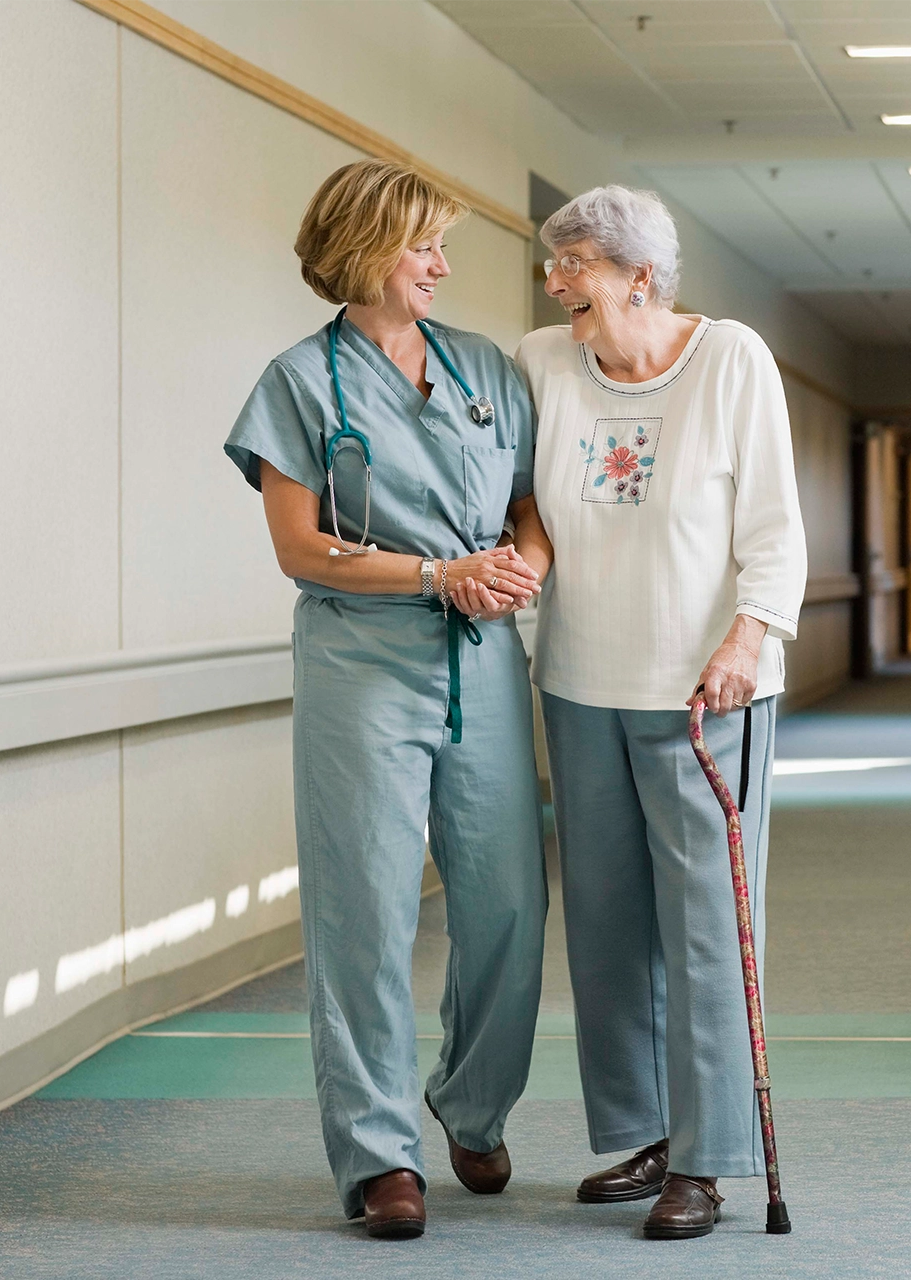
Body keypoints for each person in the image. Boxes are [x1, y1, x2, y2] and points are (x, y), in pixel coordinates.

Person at [223, 159, 552, 1240]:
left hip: (485, 658)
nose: (441, 266)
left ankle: (472, 1101)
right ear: (368, 247)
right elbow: (298, 546)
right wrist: (433, 573)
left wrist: (522, 568)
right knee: (363, 909)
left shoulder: (484, 369)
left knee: (507, 901)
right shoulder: (299, 381)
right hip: (362, 665)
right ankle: (378, 1156)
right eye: (425, 247)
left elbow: (527, 508)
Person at [515, 185, 807, 1240]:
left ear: (641, 274)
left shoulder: (731, 358)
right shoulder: (542, 362)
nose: (557, 282)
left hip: (706, 691)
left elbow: (775, 521)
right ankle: (644, 1135)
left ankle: (709, 1154)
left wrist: (751, 631)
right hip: (581, 680)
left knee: (708, 933)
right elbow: (524, 502)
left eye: (576, 260)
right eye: (551, 264)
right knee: (605, 927)